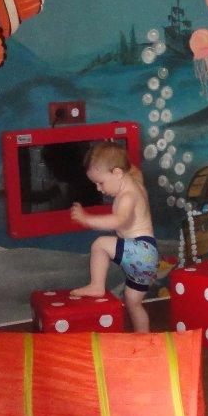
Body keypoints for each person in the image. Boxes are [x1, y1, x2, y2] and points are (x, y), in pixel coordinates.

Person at [70, 140, 155, 332]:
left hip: (140, 249)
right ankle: (145, 338)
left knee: (100, 244)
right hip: (147, 256)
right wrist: (111, 147)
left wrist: (86, 219)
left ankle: (96, 286)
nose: (99, 189)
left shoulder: (127, 196)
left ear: (117, 173)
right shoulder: (134, 179)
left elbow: (118, 221)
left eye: (100, 183)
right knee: (133, 303)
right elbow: (131, 168)